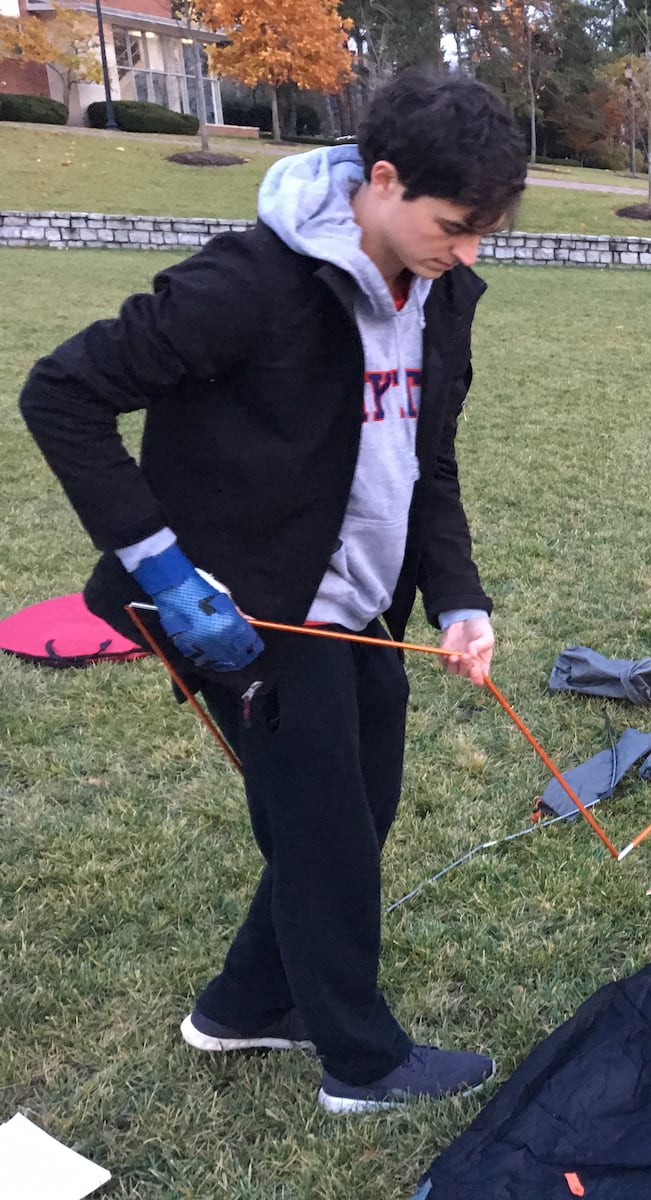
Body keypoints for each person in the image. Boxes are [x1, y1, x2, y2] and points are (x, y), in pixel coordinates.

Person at [19, 71, 528, 1113]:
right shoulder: (245, 284)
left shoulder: (441, 295)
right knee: (326, 831)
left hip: (365, 606)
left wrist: (459, 597)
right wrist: (161, 565)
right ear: (382, 181)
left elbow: (429, 462)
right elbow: (60, 393)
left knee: (355, 810)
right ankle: (362, 1063)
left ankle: (244, 1003)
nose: (469, 251)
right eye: (455, 225)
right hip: (245, 613)